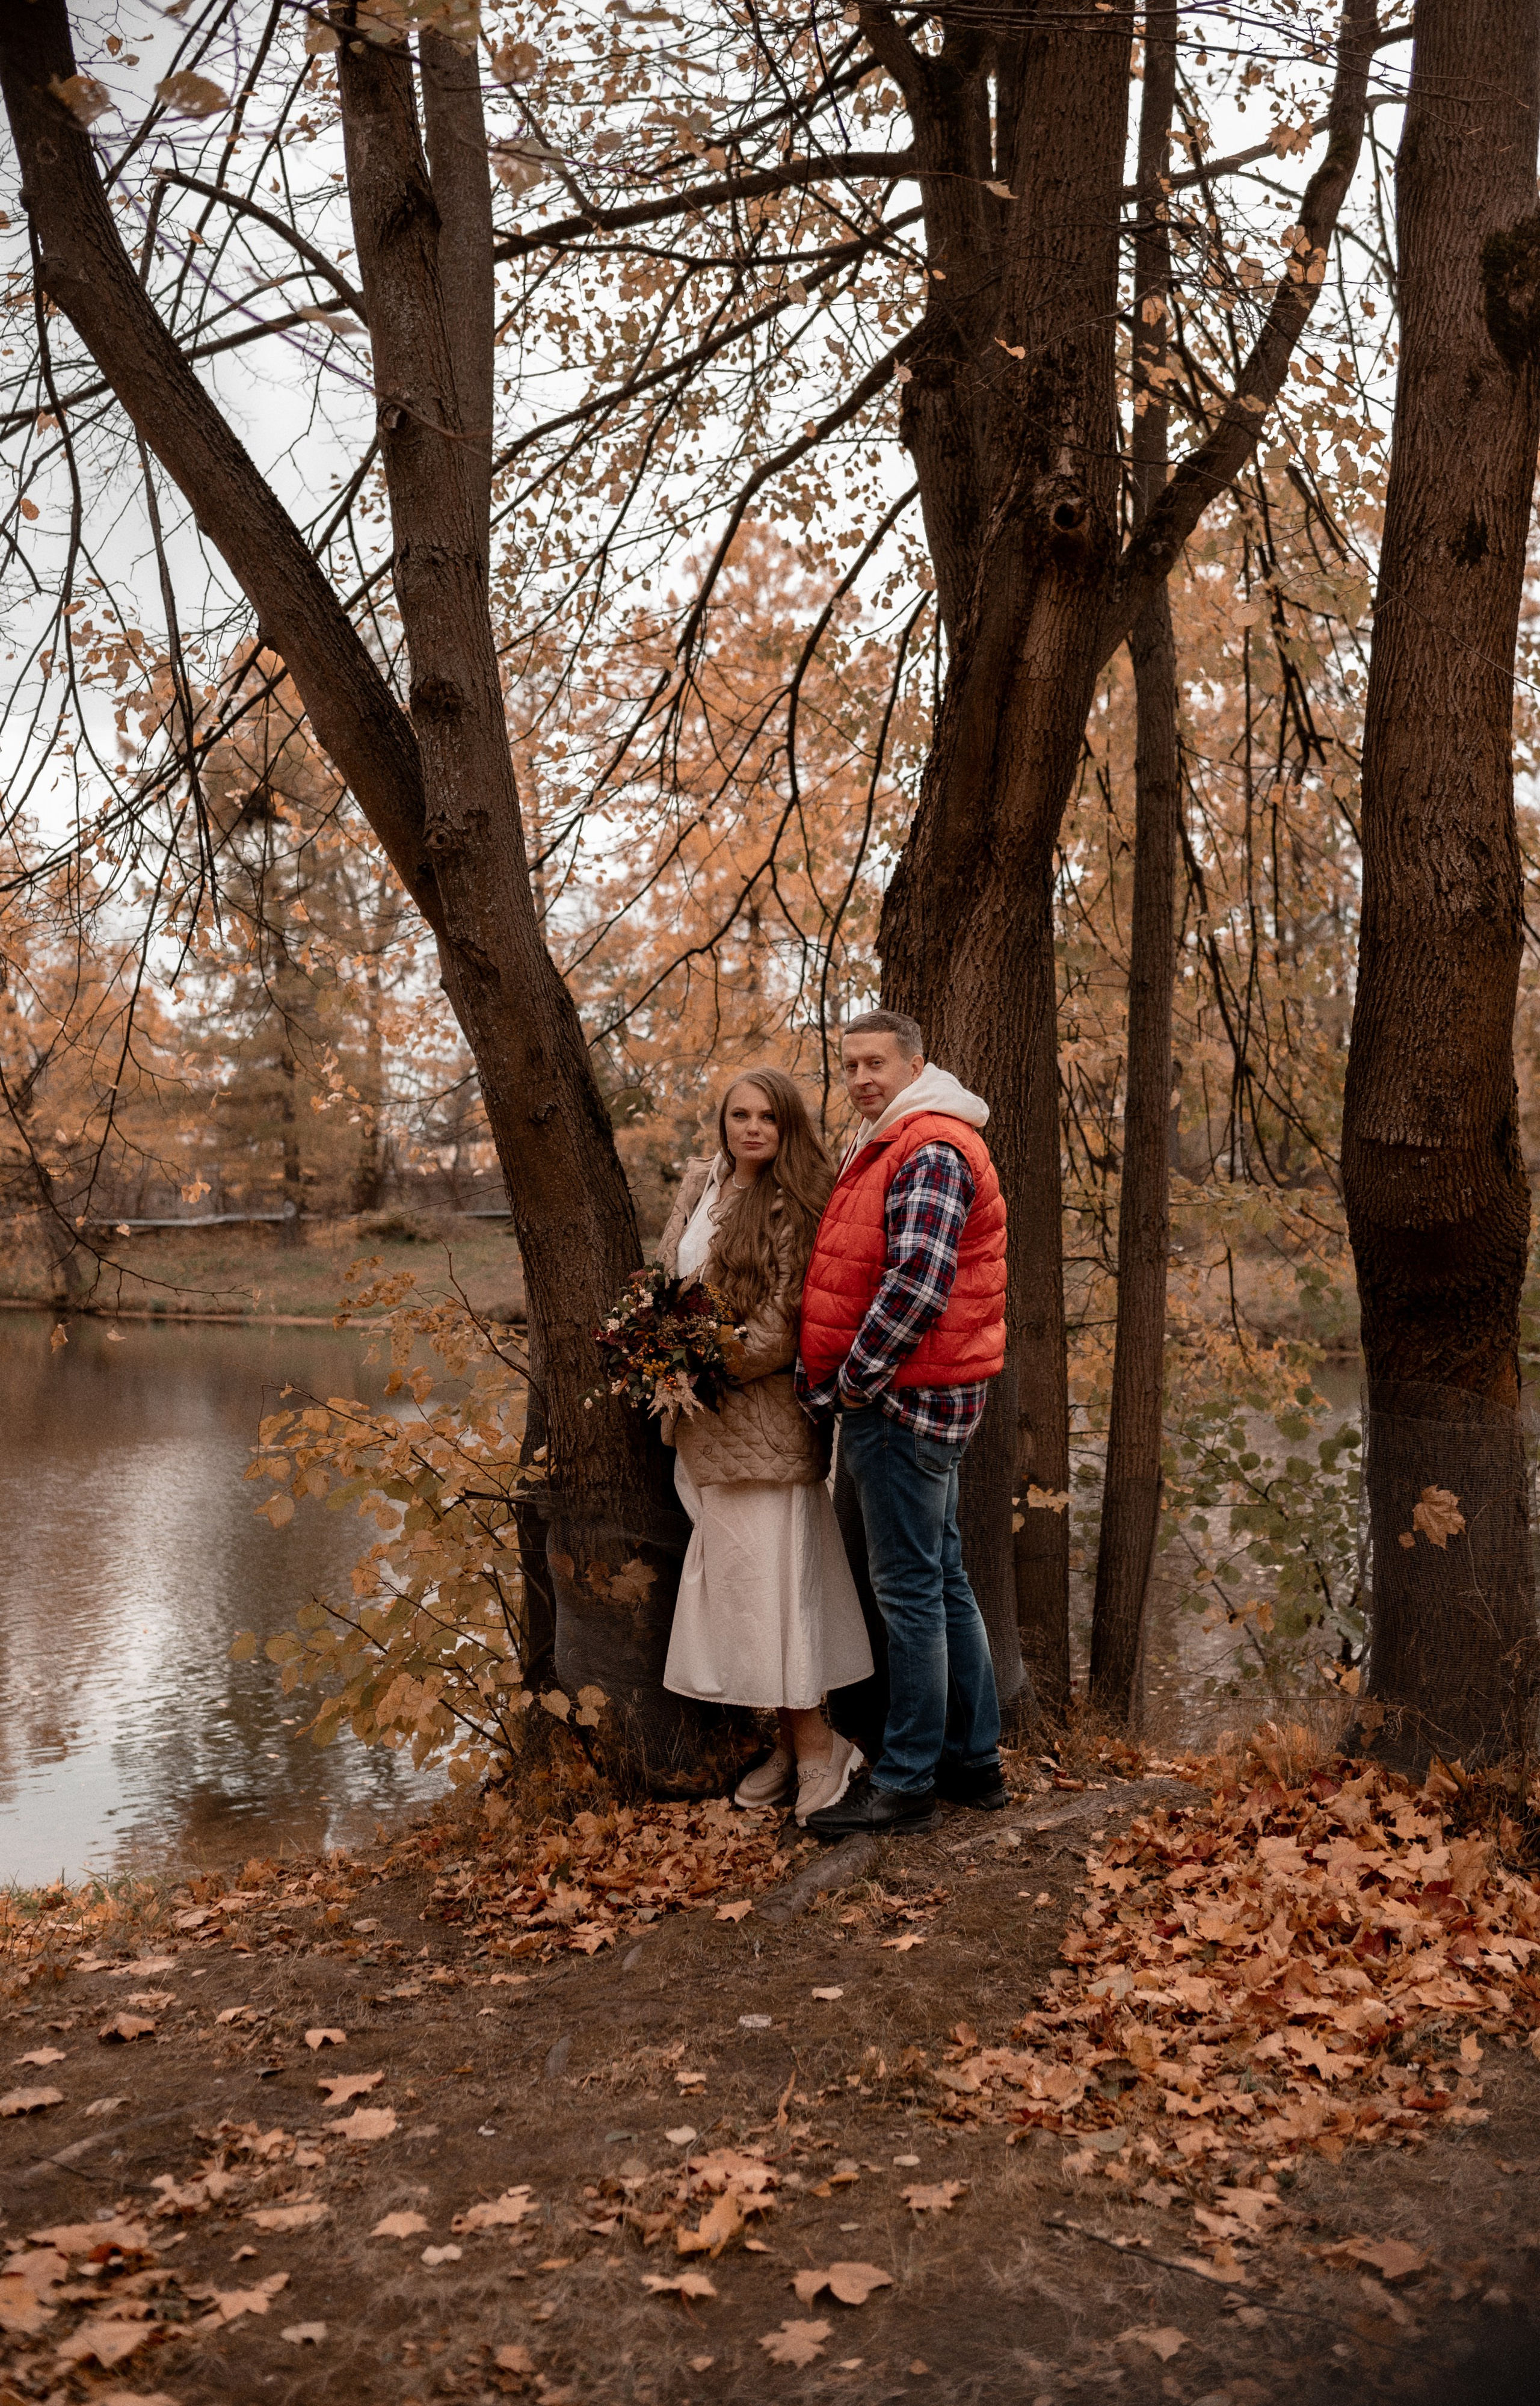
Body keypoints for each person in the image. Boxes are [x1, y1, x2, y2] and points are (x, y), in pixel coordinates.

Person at [795, 1009, 1008, 1837]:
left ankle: (910, 1780)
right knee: (942, 1574)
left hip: (901, 1400)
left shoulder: (928, 1145)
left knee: (911, 1589)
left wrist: (853, 1384)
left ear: (917, 1062)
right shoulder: (901, 1138)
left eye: (876, 1062)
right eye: (849, 1065)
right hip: (917, 1394)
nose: (860, 1079)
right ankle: (974, 1762)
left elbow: (918, 1284)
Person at [658, 1066, 873, 1823]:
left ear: (788, 1129)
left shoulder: (794, 1203)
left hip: (765, 1422)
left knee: (777, 1590)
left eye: (767, 1118)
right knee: (743, 1596)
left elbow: (785, 1323)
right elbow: (665, 1286)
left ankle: (823, 1748)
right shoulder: (701, 1186)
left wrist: (701, 1360)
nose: (751, 1129)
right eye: (738, 1115)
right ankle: (790, 1745)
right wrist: (658, 1354)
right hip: (698, 1424)